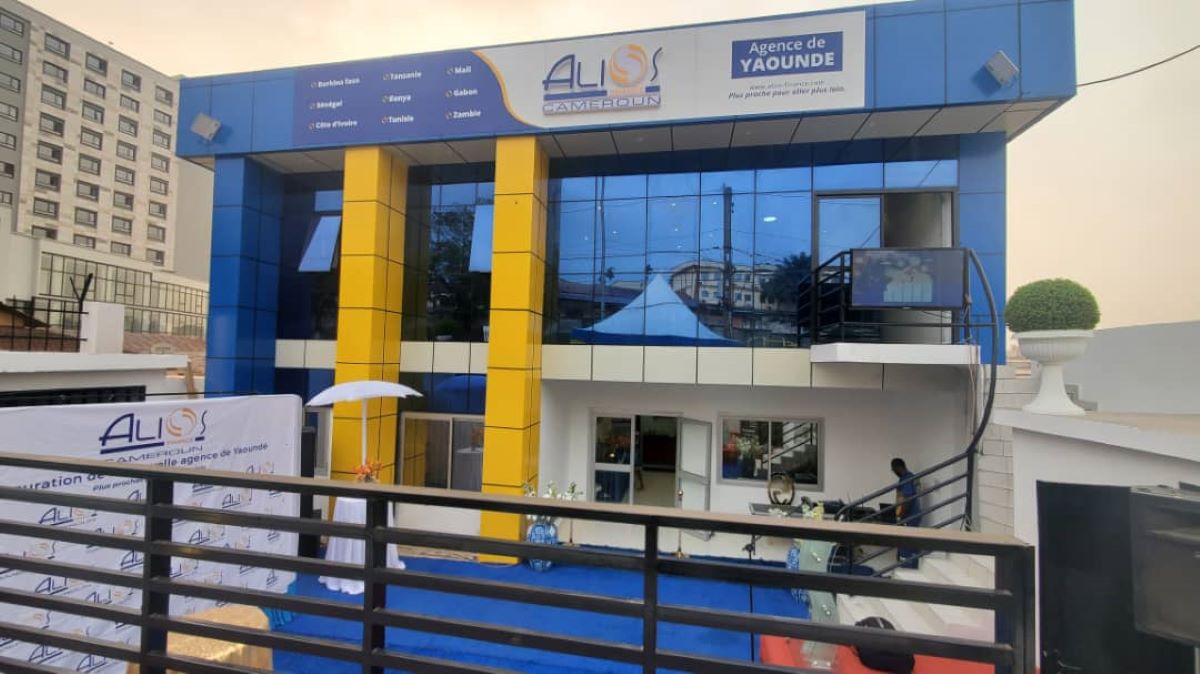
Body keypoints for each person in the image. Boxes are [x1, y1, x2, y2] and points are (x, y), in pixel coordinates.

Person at [891, 458, 922, 569]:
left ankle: (908, 567)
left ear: (898, 467)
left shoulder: (908, 479)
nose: (894, 472)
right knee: (909, 543)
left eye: (893, 469)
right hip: (912, 514)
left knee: (906, 545)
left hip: (910, 515)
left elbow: (906, 500)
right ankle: (908, 565)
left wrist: (900, 516)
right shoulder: (907, 478)